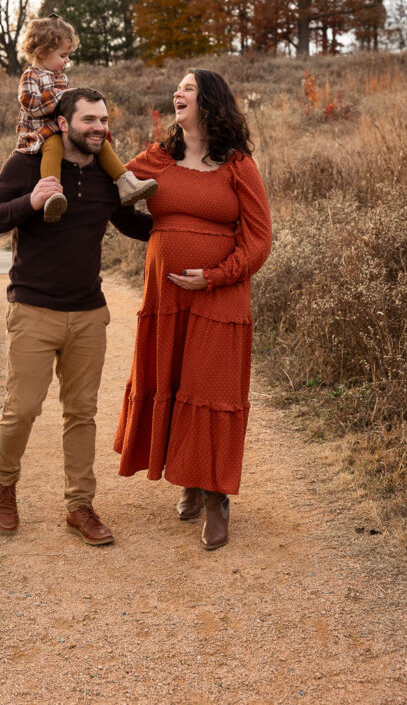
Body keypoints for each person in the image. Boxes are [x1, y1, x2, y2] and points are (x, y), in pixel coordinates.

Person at [0, 87, 153, 546]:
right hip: (33, 309)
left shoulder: (106, 177)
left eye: (104, 120)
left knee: (81, 413)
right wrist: (31, 202)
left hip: (89, 313)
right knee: (23, 409)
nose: (99, 128)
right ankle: (5, 485)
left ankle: (79, 506)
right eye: (89, 120)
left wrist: (193, 223)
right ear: (63, 124)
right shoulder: (28, 165)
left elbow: (135, 226)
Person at [113, 69, 272, 551]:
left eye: (187, 87)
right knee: (177, 383)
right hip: (167, 298)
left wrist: (216, 274)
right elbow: (114, 197)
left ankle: (217, 497)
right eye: (177, 88)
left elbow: (260, 238)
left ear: (210, 101)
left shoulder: (237, 164)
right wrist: (161, 238)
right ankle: (187, 479)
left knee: (212, 388)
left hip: (220, 296)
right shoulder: (158, 158)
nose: (177, 93)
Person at [17, 13, 157, 221]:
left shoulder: (61, 78)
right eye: (63, 55)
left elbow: (67, 107)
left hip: (62, 127)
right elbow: (31, 104)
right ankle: (51, 195)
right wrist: (62, 95)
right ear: (42, 52)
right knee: (54, 147)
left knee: (101, 141)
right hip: (41, 133)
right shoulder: (31, 75)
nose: (67, 61)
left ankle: (126, 183)